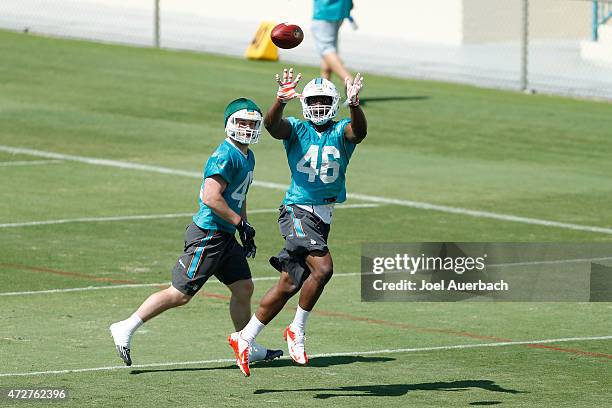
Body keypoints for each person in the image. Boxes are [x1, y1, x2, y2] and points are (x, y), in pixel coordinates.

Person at [110, 98, 282, 366]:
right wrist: (239, 223)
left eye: (252, 123)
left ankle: (246, 343)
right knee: (180, 294)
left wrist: (243, 227)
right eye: (242, 122)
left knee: (244, 288)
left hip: (224, 235)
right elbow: (211, 197)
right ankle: (126, 326)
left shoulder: (248, 155)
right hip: (209, 235)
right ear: (229, 125)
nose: (247, 128)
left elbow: (239, 195)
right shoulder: (225, 155)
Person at [228, 68, 366, 377]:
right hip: (297, 210)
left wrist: (355, 104)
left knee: (289, 283)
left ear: (335, 103)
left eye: (324, 101)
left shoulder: (342, 129)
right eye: (313, 101)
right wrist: (279, 100)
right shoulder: (297, 130)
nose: (317, 107)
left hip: (322, 215)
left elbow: (359, 132)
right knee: (324, 268)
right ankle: (296, 330)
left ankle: (245, 338)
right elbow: (273, 125)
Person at [311, 0, 354, 81]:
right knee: (328, 54)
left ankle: (349, 81)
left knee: (326, 50)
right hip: (341, 9)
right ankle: (324, 88)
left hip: (324, 11)